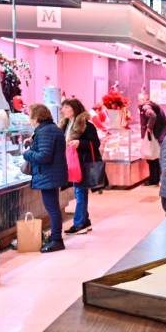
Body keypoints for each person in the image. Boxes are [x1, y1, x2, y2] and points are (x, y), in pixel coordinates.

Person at [23, 104, 68, 252]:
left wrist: (27, 153)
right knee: (53, 207)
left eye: (30, 116)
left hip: (48, 175)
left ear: (36, 117)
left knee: (52, 209)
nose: (29, 119)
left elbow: (44, 156)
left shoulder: (45, 131)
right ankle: (55, 237)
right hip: (52, 174)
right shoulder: (52, 129)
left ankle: (57, 240)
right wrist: (33, 143)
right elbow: (47, 150)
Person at [59, 98, 102, 235]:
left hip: (84, 163)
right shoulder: (65, 124)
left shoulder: (86, 125)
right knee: (79, 193)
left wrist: (80, 143)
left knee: (80, 192)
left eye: (67, 107)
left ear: (74, 109)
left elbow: (95, 143)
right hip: (72, 163)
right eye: (63, 108)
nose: (63, 110)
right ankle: (85, 221)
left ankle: (79, 224)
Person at [139, 101, 166, 186]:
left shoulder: (146, 107)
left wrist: (149, 128)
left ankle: (154, 180)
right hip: (159, 135)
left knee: (153, 159)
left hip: (154, 136)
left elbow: (152, 115)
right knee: (156, 158)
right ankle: (156, 179)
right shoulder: (156, 107)